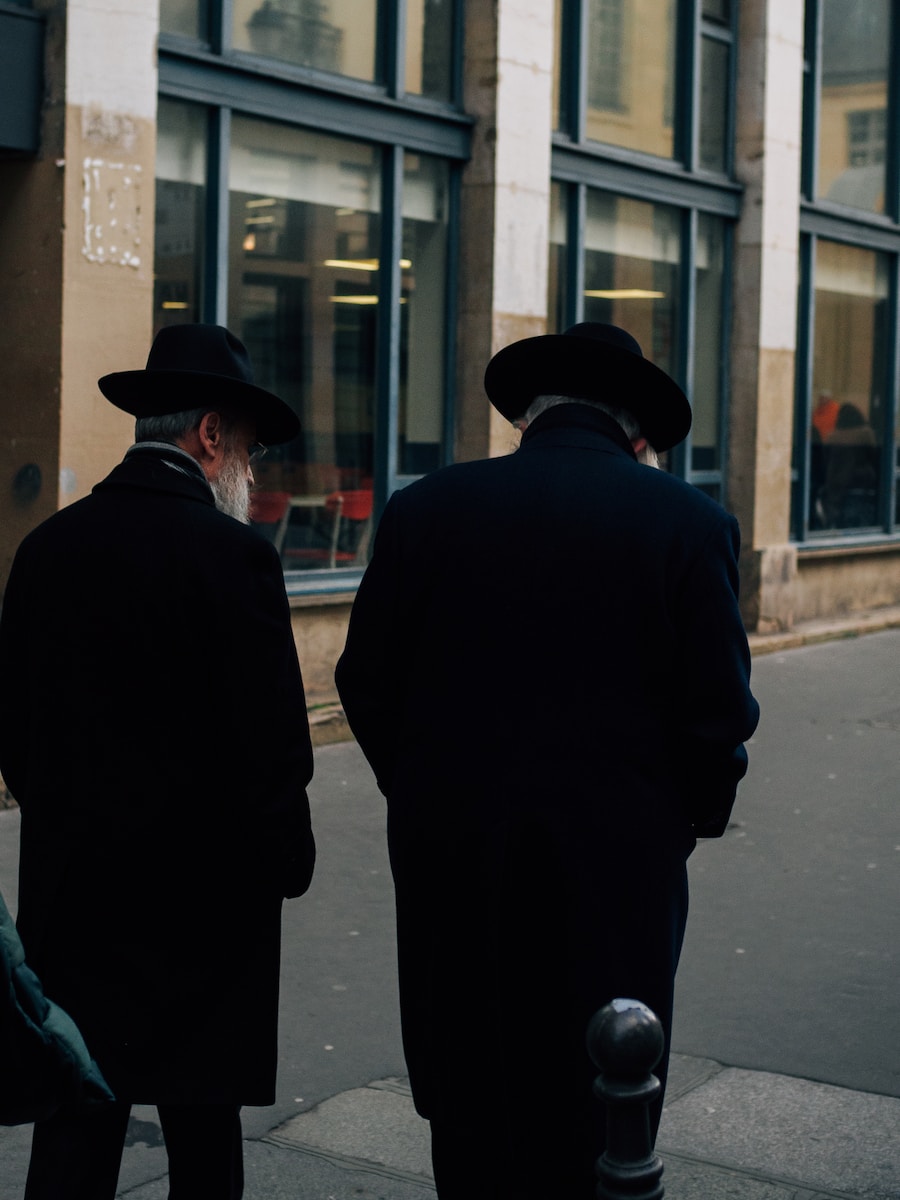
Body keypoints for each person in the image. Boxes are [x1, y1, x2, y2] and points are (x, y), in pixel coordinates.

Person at [335, 322, 760, 1198]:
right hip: (618, 869)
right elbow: (718, 718)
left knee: (471, 1094)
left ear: (528, 415)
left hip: (456, 856)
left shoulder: (425, 509)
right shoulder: (691, 524)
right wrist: (677, 823)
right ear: (635, 430)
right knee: (604, 1095)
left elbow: (366, 682)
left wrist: (423, 787)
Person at [0, 323, 316, 1199]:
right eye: (246, 447)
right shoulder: (237, 559)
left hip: (74, 906)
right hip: (204, 923)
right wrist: (287, 862)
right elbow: (274, 753)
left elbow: (16, 739)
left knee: (76, 1129)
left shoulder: (47, 549)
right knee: (203, 1142)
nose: (248, 471)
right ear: (210, 436)